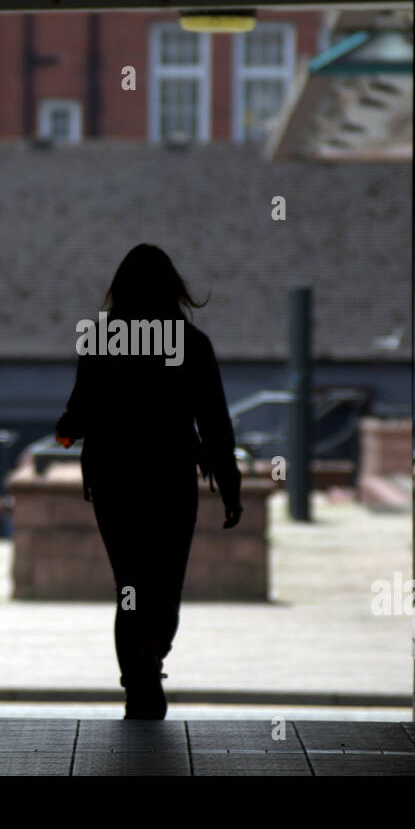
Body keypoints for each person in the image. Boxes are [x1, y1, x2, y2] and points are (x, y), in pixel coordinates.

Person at [55, 244, 242, 720]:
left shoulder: (100, 339)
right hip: (170, 476)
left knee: (130, 582)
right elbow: (215, 422)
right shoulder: (193, 344)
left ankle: (138, 682)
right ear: (173, 290)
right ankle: (152, 659)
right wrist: (230, 484)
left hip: (114, 477)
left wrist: (66, 431)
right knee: (165, 579)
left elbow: (80, 410)